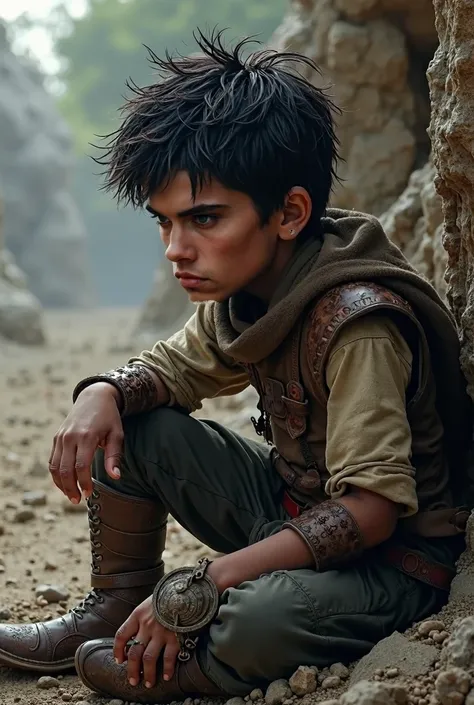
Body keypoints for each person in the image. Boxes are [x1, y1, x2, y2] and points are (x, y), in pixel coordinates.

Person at [0, 29, 471, 704]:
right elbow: (172, 368)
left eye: (203, 219)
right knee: (135, 422)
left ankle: (186, 663)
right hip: (290, 511)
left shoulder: (357, 322)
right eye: (163, 223)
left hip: (389, 563)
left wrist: (214, 579)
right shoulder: (251, 289)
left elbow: (369, 513)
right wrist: (103, 390)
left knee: (251, 620)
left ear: (290, 213)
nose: (176, 249)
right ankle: (115, 607)